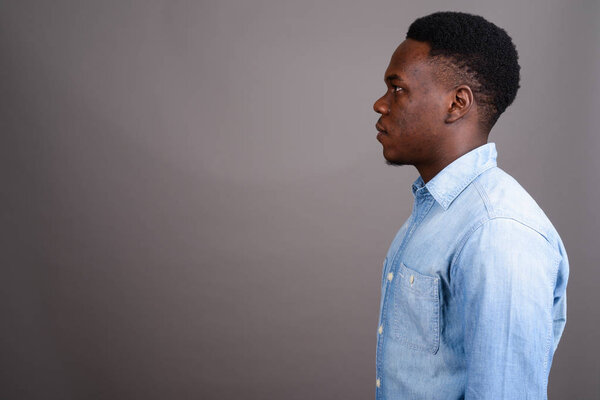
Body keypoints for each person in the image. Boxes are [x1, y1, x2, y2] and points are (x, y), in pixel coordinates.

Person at [372, 11, 569, 399]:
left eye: (397, 89)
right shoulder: (439, 212)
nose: (380, 104)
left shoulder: (498, 231)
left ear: (457, 103)